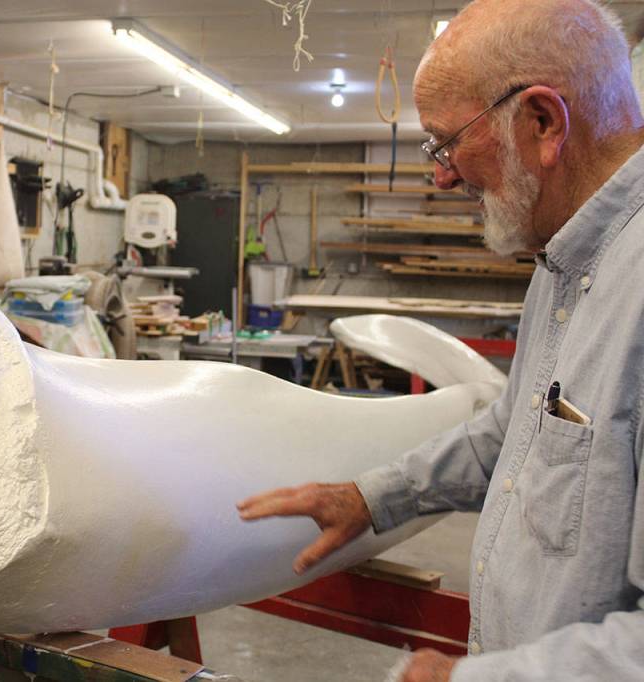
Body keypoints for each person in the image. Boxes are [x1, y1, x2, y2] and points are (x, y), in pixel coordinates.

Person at [237, 1, 644, 680]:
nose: (442, 175)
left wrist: (467, 679)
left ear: (543, 122)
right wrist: (372, 496)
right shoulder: (561, 263)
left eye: (447, 141)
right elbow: (509, 438)